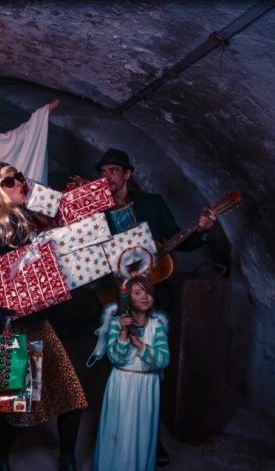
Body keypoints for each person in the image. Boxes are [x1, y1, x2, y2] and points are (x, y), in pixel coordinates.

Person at [0, 162, 88, 471]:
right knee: (16, 413)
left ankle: (68, 459)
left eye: (21, 177)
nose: (20, 184)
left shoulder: (31, 221)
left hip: (39, 323)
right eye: (10, 181)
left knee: (73, 397)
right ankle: (0, 457)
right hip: (8, 328)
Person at [96, 148, 215, 466]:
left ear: (127, 174)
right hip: (113, 296)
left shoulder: (152, 204)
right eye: (103, 171)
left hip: (151, 299)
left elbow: (180, 239)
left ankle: (151, 437)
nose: (107, 177)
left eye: (113, 171)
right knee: (118, 365)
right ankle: (116, 432)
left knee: (151, 367)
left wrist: (201, 230)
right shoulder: (98, 212)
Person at [91, 276, 170, 471]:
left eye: (148, 292)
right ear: (126, 299)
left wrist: (140, 344)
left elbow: (163, 360)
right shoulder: (117, 325)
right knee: (119, 430)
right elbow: (116, 358)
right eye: (137, 293)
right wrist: (124, 334)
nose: (144, 296)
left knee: (142, 432)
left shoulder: (157, 326)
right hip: (122, 384)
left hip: (147, 386)